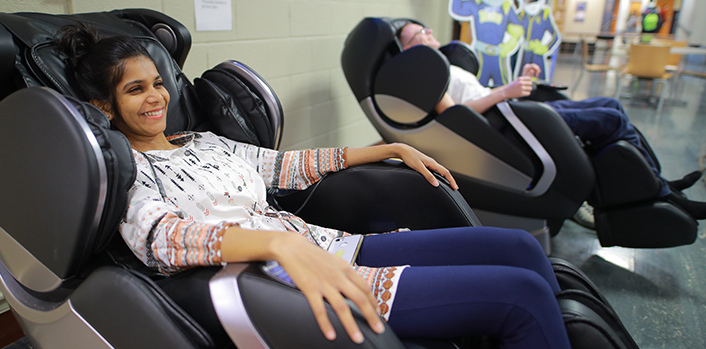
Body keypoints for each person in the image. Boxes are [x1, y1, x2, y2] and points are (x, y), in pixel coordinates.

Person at [55, 23, 574, 349]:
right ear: (105, 106)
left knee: (521, 249)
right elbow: (164, 240)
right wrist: (276, 242)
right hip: (294, 282)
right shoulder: (124, 175)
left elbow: (289, 166)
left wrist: (391, 149)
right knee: (522, 295)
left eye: (158, 82)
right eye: (135, 89)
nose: (156, 97)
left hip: (336, 249)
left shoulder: (204, 142)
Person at [397, 22, 706, 220]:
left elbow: (478, 94)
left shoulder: (444, 64)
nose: (429, 32)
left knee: (611, 104)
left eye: (426, 28)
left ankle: (659, 182)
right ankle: (661, 192)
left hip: (511, 108)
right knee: (609, 119)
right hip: (510, 123)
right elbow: (456, 117)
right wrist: (506, 92)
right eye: (419, 33)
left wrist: (514, 85)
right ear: (406, 48)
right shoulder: (426, 74)